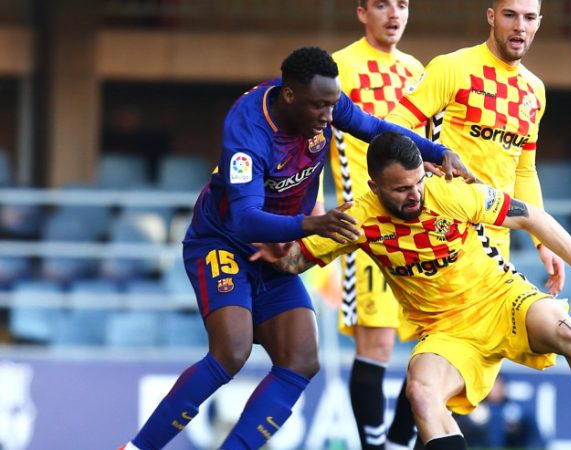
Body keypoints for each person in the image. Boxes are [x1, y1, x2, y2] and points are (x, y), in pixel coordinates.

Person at [118, 47, 473, 450]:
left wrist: (438, 153)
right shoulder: (248, 131)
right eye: (319, 107)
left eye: (332, 105)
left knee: (301, 360)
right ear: (289, 96)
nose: (328, 116)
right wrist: (312, 225)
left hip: (277, 247)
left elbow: (375, 128)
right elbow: (245, 219)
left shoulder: (323, 102)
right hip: (224, 242)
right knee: (231, 351)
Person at [259, 132, 571, 450]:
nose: (415, 195)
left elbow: (531, 217)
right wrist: (262, 239)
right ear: (375, 187)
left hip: (503, 301)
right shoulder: (356, 220)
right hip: (448, 333)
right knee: (420, 392)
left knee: (565, 329)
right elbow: (292, 262)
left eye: (418, 182)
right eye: (401, 190)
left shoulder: (451, 193)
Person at [385, 0, 565, 294]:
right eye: (510, 15)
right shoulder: (452, 67)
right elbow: (395, 123)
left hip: (496, 240)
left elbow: (524, 171)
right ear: (491, 17)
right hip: (445, 232)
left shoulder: (535, 90)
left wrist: (542, 241)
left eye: (529, 18)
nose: (520, 26)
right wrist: (422, 157)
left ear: (538, 23)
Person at [330, 1, 423, 448]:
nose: (394, 13)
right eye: (382, 4)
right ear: (361, 11)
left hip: (418, 227)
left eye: (402, 4)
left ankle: (400, 443)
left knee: (432, 345)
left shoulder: (417, 71)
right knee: (378, 346)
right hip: (363, 228)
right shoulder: (338, 67)